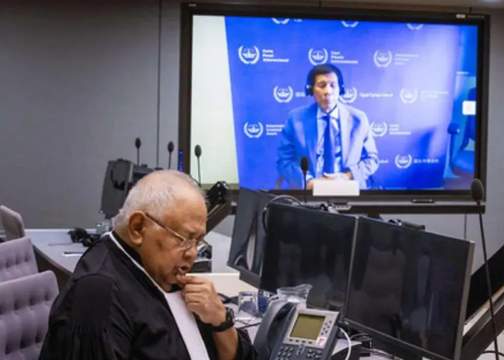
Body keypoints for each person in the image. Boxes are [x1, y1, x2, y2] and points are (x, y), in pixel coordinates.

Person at [40, 170, 255, 360]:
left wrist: (220, 320)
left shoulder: (166, 275)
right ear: (138, 228)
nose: (192, 254)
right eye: (185, 239)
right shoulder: (99, 294)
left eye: (198, 241)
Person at [276, 64, 379, 189]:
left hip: (348, 188)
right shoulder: (295, 119)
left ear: (340, 89)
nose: (328, 91)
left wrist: (347, 176)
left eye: (333, 85)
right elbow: (284, 161)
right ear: (311, 90)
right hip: (309, 191)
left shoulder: (358, 119)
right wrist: (308, 182)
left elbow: (372, 159)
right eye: (322, 85)